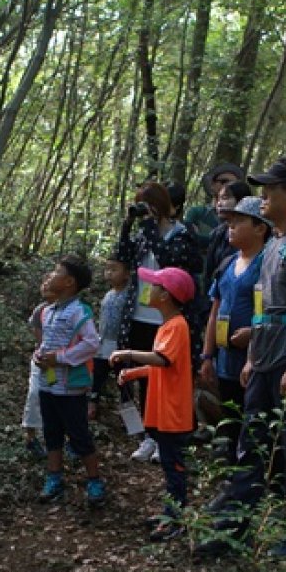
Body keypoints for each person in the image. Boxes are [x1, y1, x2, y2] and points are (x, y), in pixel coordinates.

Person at [195, 156, 286, 559]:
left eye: (270, 190)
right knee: (251, 443)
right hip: (265, 361)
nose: (263, 197)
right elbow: (263, 305)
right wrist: (254, 357)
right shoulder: (275, 244)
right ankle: (232, 530)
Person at [116, 182, 202, 462]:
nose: (145, 212)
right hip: (140, 314)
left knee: (167, 379)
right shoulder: (144, 232)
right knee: (143, 378)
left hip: (168, 318)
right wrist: (128, 226)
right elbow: (124, 257)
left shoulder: (182, 233)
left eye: (147, 205)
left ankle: (172, 434)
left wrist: (153, 229)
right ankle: (148, 435)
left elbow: (169, 263)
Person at [112, 267, 196, 541]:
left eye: (155, 285)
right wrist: (133, 372)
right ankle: (168, 514)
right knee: (169, 467)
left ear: (166, 295)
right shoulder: (166, 326)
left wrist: (128, 354)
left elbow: (161, 360)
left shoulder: (177, 326)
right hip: (161, 411)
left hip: (173, 413)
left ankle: (175, 520)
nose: (148, 289)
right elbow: (162, 366)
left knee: (174, 467)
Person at [199, 197, 271, 465]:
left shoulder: (266, 264)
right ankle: (228, 463)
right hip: (224, 358)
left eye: (239, 222)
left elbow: (269, 311)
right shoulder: (227, 263)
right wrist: (207, 356)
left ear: (259, 228)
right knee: (227, 411)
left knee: (251, 414)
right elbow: (214, 310)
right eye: (230, 221)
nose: (231, 227)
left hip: (253, 358)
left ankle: (250, 469)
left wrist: (253, 333)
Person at [35, 255, 105, 506]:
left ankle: (94, 481)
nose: (50, 275)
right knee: (51, 432)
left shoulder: (79, 311)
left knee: (78, 434)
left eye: (56, 272)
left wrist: (62, 358)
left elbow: (92, 343)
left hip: (71, 388)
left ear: (69, 282)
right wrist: (40, 355)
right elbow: (46, 342)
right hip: (48, 384)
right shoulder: (47, 311)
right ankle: (54, 478)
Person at [88, 256, 131, 421]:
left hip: (120, 345)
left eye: (114, 269)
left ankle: (130, 421)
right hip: (103, 343)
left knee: (124, 382)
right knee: (97, 378)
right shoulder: (108, 295)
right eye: (107, 269)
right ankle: (92, 409)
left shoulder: (129, 296)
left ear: (126, 274)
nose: (109, 273)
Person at [20, 281, 57, 460]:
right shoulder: (40, 310)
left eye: (50, 284)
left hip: (60, 363)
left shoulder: (71, 310)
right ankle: (31, 437)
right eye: (44, 283)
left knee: (56, 397)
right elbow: (41, 342)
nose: (45, 286)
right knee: (34, 394)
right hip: (42, 362)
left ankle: (57, 439)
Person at [202, 180, 251, 296]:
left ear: (241, 200)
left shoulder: (253, 231)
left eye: (225, 198)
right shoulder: (218, 233)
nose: (219, 203)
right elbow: (208, 274)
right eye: (219, 199)